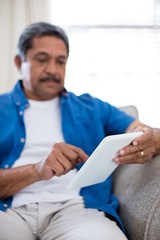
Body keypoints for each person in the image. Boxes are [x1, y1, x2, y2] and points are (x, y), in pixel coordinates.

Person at [0, 22, 159, 240]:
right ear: (20, 62)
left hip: (77, 212)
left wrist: (150, 139)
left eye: (61, 61)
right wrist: (37, 170)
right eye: (42, 59)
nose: (53, 70)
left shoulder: (92, 107)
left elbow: (142, 131)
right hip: (8, 212)